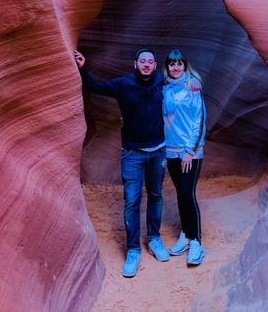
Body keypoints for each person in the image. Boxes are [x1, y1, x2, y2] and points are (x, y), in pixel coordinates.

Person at [74, 48, 170, 278]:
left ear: (155, 66)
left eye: (150, 61)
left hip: (158, 151)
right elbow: (95, 87)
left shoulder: (161, 81)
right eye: (142, 61)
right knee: (132, 201)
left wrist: (193, 85)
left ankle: (155, 239)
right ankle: (134, 250)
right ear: (134, 64)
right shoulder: (123, 85)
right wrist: (83, 67)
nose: (146, 64)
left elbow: (183, 83)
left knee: (156, 195)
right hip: (132, 154)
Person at [163, 48, 206, 266]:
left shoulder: (193, 87)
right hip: (170, 151)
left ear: (185, 66)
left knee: (188, 193)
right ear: (167, 67)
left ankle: (196, 242)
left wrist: (190, 151)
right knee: (181, 193)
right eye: (172, 64)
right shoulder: (164, 89)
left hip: (189, 152)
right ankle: (186, 235)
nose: (176, 67)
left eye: (180, 63)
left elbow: (199, 120)